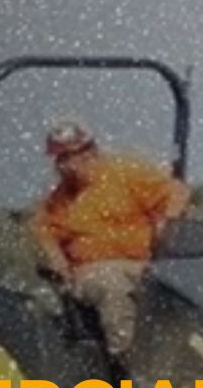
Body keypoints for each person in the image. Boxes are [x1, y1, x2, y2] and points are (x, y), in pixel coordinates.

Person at [32, 119, 189, 360]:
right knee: (111, 285)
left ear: (92, 151)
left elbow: (177, 192)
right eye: (61, 159)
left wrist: (166, 221)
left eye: (74, 156)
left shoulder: (127, 173)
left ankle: (189, 364)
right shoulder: (56, 203)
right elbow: (46, 240)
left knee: (178, 291)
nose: (68, 166)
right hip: (91, 271)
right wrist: (59, 268)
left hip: (144, 264)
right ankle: (129, 363)